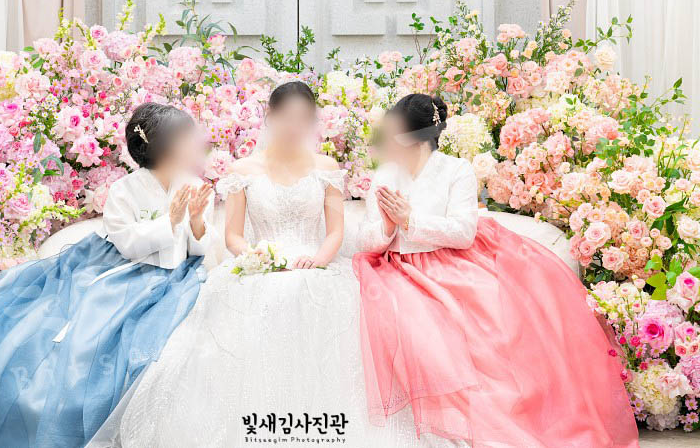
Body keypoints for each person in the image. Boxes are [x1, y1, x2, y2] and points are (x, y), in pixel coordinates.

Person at [88, 82, 458, 447]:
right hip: (259, 266)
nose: (295, 126)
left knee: (318, 300)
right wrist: (257, 257)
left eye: (304, 118)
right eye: (287, 117)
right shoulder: (243, 170)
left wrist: (318, 259)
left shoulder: (326, 167)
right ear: (270, 117)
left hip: (316, 265)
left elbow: (335, 231)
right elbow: (233, 236)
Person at [352, 93, 640, 447]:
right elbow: (366, 241)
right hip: (398, 269)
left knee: (495, 326)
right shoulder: (385, 175)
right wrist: (387, 226)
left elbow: (462, 232)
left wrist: (411, 219)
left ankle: (519, 418)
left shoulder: (456, 170)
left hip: (452, 263)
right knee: (420, 326)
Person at [0, 103, 217, 448]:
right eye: (185, 138)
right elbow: (127, 245)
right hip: (120, 272)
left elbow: (198, 248)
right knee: (82, 334)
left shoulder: (195, 186)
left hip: (175, 277)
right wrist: (170, 221)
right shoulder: (124, 189)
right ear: (164, 145)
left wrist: (195, 221)